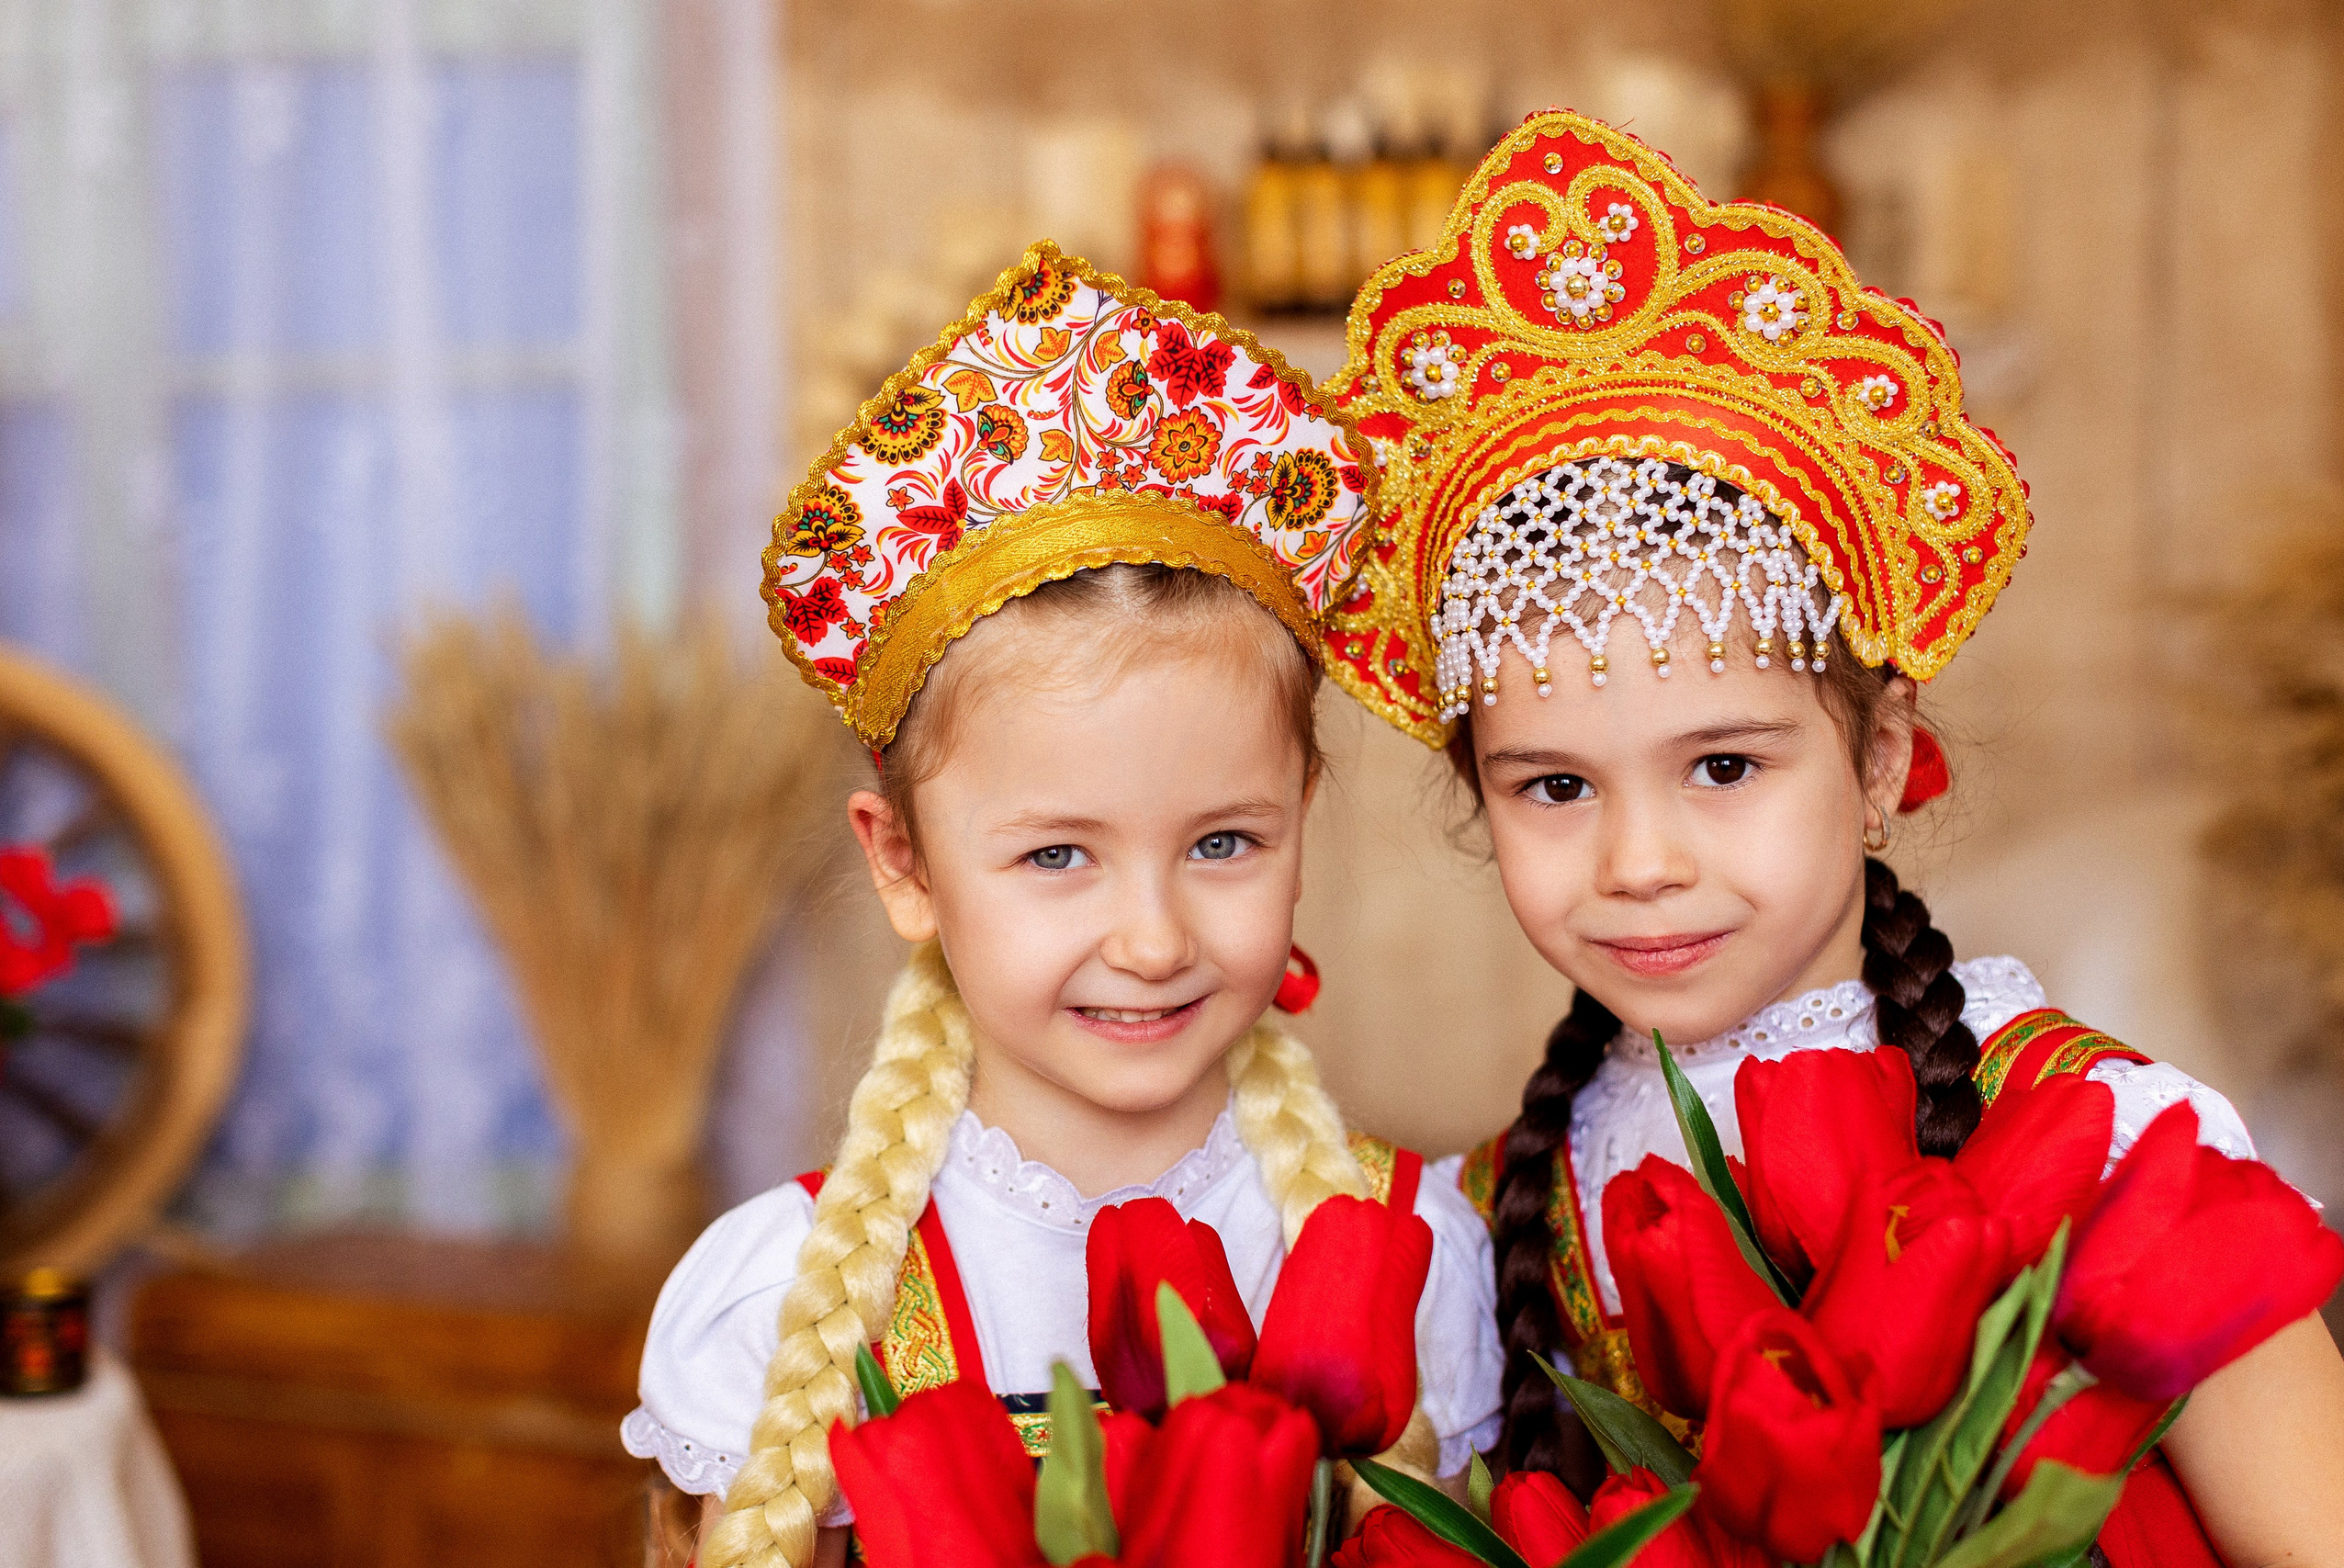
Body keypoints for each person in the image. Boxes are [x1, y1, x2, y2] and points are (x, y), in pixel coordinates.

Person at [1322, 109, 2344, 1563]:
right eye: (1554, 787)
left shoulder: (2092, 1140)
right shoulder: (1499, 1221)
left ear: (1877, 759)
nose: (1640, 860)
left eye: (1725, 765)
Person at [622, 243, 1504, 1568]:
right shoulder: (787, 1294)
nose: (1151, 940)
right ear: (902, 865)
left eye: (1221, 843)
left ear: (1303, 824)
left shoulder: (1414, 1251)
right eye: (1055, 858)